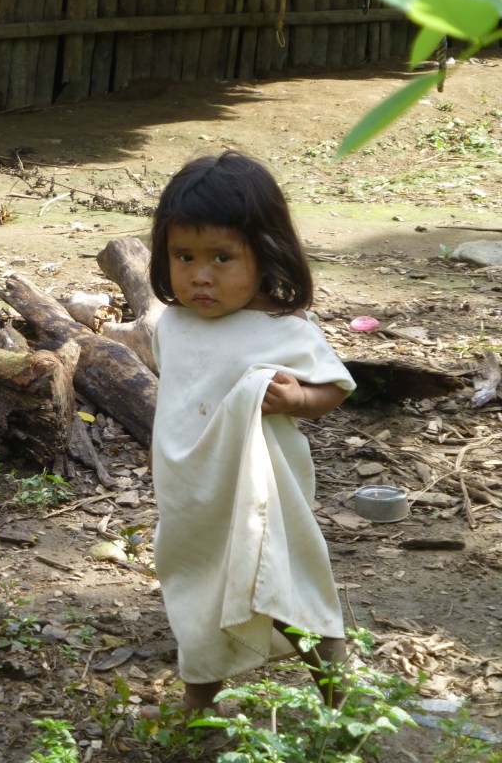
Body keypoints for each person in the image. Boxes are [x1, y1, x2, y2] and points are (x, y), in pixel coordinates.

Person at [148, 150, 356, 713]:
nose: (200, 276)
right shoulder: (172, 323)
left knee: (286, 586)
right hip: (192, 494)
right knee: (196, 591)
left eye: (221, 257)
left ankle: (338, 694)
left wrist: (296, 398)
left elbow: (334, 387)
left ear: (264, 256)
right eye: (183, 257)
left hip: (263, 495)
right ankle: (200, 694)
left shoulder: (281, 329)